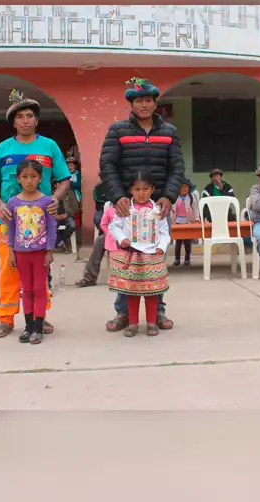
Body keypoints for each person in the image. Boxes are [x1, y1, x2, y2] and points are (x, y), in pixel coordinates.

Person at [0, 89, 71, 338]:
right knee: (8, 272)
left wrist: (55, 199)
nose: (25, 121)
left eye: (30, 116)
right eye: (20, 117)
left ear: (36, 120)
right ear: (13, 122)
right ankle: (6, 318)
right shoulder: (2, 149)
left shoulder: (49, 146)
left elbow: (64, 179)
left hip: (41, 225)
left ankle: (40, 318)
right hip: (9, 224)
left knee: (40, 274)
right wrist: (0, 204)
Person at [100, 77, 184, 332]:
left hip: (157, 209)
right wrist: (118, 197)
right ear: (132, 104)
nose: (144, 105)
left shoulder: (169, 132)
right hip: (127, 208)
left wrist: (168, 196)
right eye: (139, 101)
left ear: (155, 103)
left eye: (149, 100)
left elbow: (177, 166)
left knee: (154, 261)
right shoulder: (118, 130)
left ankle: (157, 312)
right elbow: (107, 166)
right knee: (127, 261)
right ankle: (124, 313)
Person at [107, 173, 171, 337]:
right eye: (137, 189)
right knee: (132, 291)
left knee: (152, 292)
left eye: (145, 189)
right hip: (132, 256)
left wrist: (162, 247)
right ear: (130, 190)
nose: (141, 193)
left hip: (152, 256)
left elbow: (165, 232)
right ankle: (133, 323)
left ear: (152, 189)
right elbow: (114, 227)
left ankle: (151, 322)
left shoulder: (158, 211)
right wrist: (123, 239)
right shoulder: (125, 210)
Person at [5, 159, 57, 345]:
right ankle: (28, 327)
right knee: (26, 289)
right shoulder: (12, 202)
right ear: (18, 179)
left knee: (39, 289)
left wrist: (49, 250)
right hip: (20, 253)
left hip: (40, 253)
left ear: (40, 178)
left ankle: (38, 326)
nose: (29, 181)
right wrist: (11, 251)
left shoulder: (46, 201)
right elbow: (10, 228)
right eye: (25, 177)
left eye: (33, 176)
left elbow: (52, 226)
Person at [74, 175, 114, 287]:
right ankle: (90, 277)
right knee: (100, 241)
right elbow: (106, 221)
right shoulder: (108, 203)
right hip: (115, 231)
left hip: (133, 231)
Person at [171, 178, 199, 266]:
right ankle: (177, 259)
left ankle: (187, 259)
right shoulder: (174, 197)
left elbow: (195, 209)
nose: (184, 189)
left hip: (188, 222)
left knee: (187, 242)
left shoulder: (191, 197)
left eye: (186, 187)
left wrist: (197, 219)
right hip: (177, 222)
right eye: (182, 187)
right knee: (178, 243)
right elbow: (171, 209)